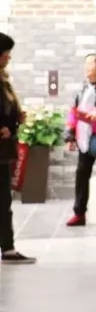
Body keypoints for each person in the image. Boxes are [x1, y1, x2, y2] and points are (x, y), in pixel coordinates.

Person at [66, 53, 96, 227]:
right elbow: (73, 112)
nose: (86, 67)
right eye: (85, 63)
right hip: (84, 137)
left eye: (90, 64)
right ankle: (79, 213)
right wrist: (70, 135)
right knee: (82, 175)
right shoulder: (82, 88)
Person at [0, 32, 35, 264]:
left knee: (4, 200)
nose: (8, 57)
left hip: (4, 150)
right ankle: (8, 248)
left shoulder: (3, 80)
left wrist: (15, 119)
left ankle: (8, 247)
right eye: (6, 53)